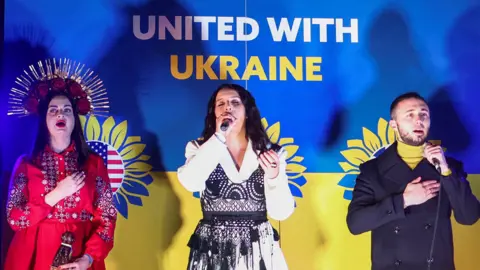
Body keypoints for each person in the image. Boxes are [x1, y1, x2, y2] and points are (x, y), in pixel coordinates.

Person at [346, 92, 480, 270]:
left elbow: (469, 217)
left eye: (424, 115)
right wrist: (403, 200)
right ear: (394, 124)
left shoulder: (449, 167)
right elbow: (355, 224)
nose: (419, 120)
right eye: (410, 115)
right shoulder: (372, 171)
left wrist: (446, 171)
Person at [4, 59, 117, 270]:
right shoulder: (27, 164)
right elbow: (15, 219)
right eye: (53, 110)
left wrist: (89, 258)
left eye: (66, 110)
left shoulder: (94, 164)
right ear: (44, 120)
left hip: (80, 255)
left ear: (74, 119)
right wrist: (55, 195)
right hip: (34, 254)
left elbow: (107, 218)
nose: (60, 114)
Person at [177, 83, 295, 270]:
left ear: (247, 112)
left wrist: (274, 177)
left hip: (259, 250)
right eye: (221, 104)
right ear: (214, 113)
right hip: (212, 251)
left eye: (234, 102)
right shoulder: (199, 148)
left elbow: (282, 212)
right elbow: (190, 182)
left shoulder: (270, 153)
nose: (227, 107)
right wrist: (219, 137)